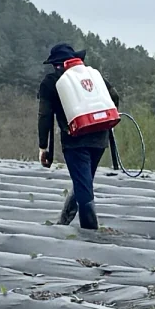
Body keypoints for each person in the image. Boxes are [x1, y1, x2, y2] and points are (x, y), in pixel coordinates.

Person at [37, 43, 118, 231]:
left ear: (55, 64)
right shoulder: (92, 76)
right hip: (99, 137)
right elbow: (114, 98)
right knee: (83, 181)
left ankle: (91, 232)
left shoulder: (50, 82)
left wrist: (44, 147)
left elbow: (45, 116)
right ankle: (64, 222)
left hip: (75, 140)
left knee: (83, 186)